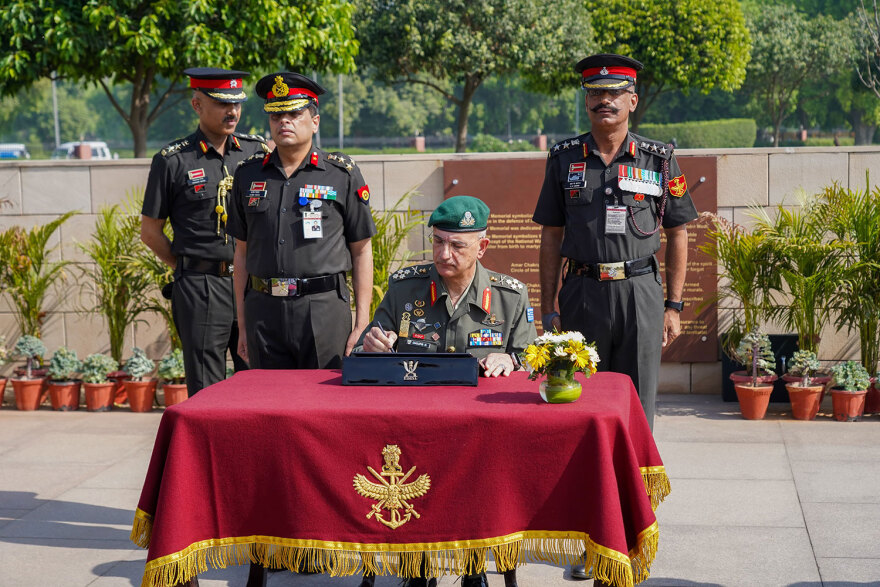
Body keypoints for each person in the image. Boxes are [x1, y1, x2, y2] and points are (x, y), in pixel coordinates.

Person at [532, 54, 697, 583]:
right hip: (581, 295)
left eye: (613, 94)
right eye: (593, 94)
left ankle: (631, 536)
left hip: (641, 295)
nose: (602, 101)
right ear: (586, 100)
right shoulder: (564, 158)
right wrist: (550, 307)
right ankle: (589, 539)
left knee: (638, 415)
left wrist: (672, 305)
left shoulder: (658, 158)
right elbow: (551, 237)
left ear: (632, 100)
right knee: (581, 420)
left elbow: (678, 232)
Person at [356, 195, 537, 587]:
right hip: (414, 429)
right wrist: (373, 343)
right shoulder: (406, 289)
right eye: (438, 242)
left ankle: (474, 567)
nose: (444, 253)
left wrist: (512, 361)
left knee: (478, 469)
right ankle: (417, 566)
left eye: (457, 245)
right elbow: (364, 348)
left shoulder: (510, 295)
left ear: (482, 247)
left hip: (477, 432)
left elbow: (532, 356)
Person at [227, 71, 375, 370]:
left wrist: (361, 323)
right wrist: (242, 324)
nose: (284, 122)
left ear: (315, 121)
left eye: (294, 114)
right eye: (276, 116)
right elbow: (241, 253)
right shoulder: (247, 174)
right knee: (269, 408)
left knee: (325, 407)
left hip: (322, 311)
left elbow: (361, 250)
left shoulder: (340, 173)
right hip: (263, 311)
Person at [141, 67, 269, 400]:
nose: (233, 112)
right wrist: (190, 267)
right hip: (200, 288)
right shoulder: (173, 160)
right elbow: (151, 232)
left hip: (253, 284)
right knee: (206, 389)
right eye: (223, 104)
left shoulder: (257, 153)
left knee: (259, 381)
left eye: (237, 104)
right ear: (197, 105)